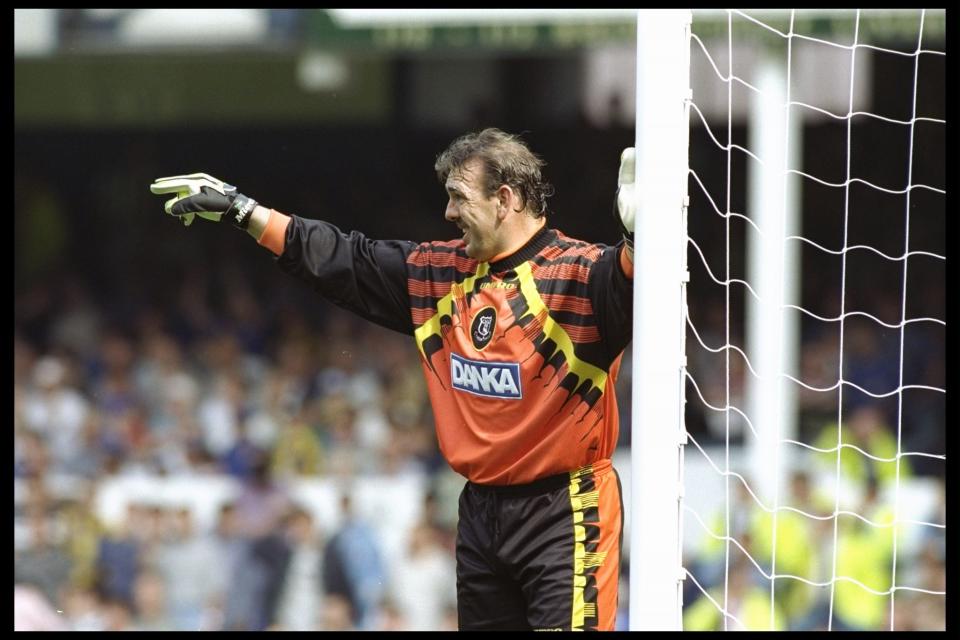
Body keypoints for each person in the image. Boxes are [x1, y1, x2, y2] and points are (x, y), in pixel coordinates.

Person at [149, 128, 637, 631]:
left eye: (458, 197)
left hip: (565, 510)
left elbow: (627, 284)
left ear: (506, 199)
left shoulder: (578, 275)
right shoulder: (439, 274)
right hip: (479, 512)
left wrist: (642, 239)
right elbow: (343, 259)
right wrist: (243, 211)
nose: (447, 213)